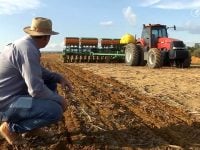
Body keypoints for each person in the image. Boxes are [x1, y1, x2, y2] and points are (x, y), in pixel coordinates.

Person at [0, 17, 73, 145]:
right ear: (46, 38)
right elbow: (36, 90)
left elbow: (40, 71)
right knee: (55, 110)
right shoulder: (28, 50)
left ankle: (31, 129)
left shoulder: (25, 44)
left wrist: (59, 77)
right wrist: (60, 100)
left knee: (50, 83)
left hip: (12, 97)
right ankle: (11, 128)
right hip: (7, 104)